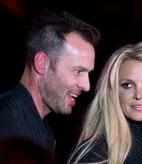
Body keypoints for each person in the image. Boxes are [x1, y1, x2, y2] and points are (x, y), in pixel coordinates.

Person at [0, 9, 100, 153]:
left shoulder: (31, 124)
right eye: (78, 71)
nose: (87, 86)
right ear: (42, 64)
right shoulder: (7, 124)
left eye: (88, 73)